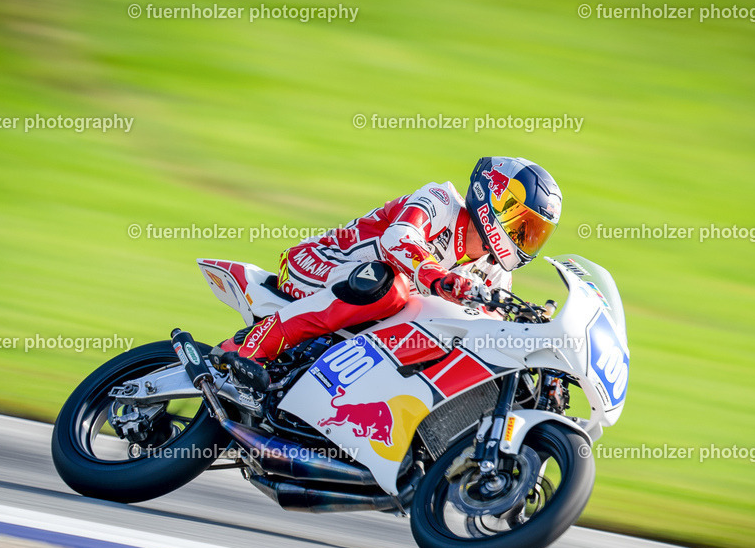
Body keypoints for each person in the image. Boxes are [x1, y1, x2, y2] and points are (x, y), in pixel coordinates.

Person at [216, 156, 561, 384]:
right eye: (522, 226)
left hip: (369, 307)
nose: (525, 239)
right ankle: (249, 350)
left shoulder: (495, 272)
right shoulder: (442, 200)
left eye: (534, 233)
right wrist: (435, 276)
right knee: (389, 287)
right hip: (320, 262)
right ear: (496, 201)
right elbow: (400, 237)